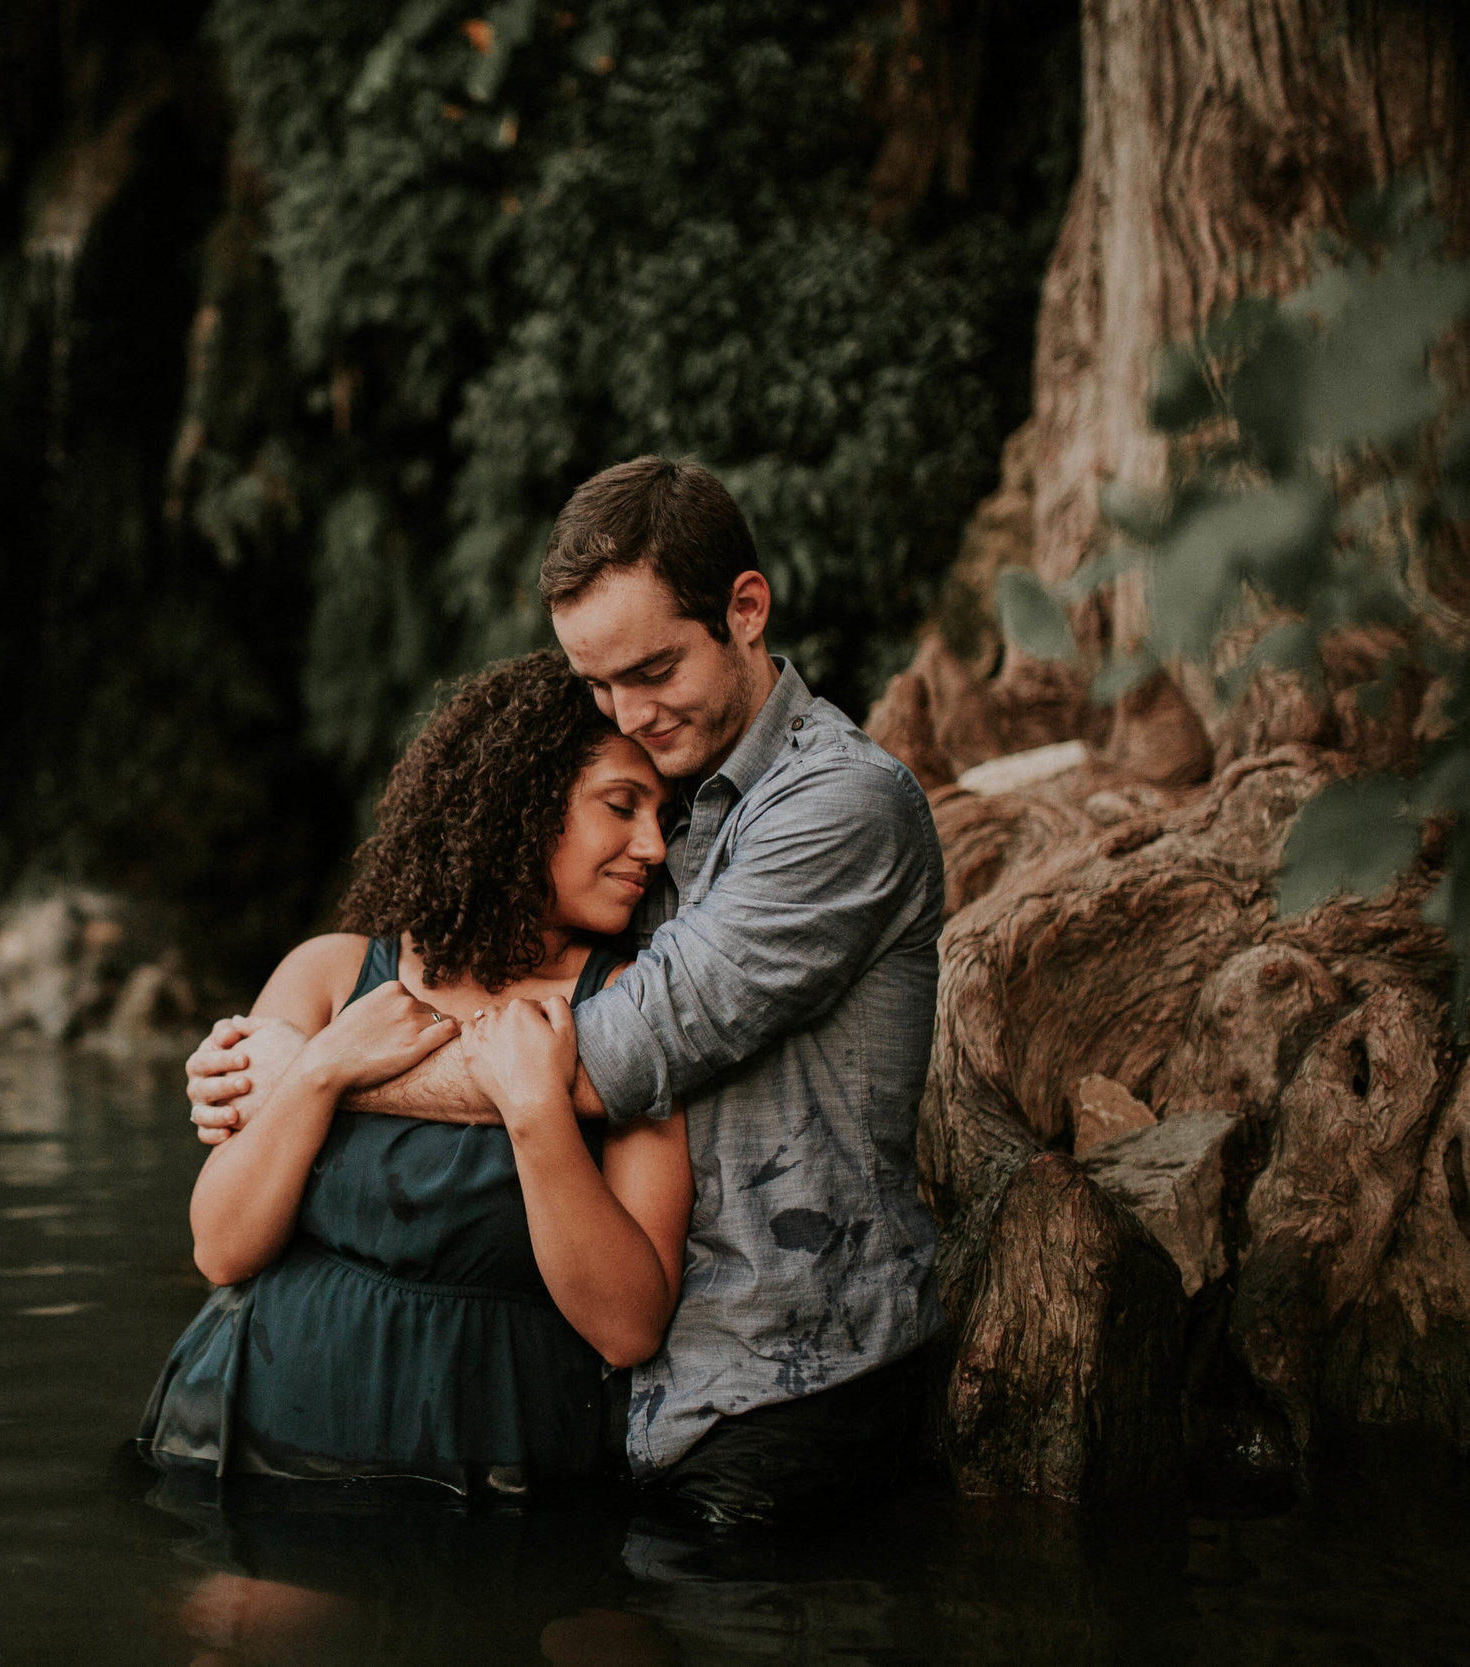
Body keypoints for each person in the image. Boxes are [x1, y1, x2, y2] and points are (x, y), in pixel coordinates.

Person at [190, 456, 947, 1528]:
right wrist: (279, 1059)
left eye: (651, 670)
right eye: (596, 687)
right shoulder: (669, 802)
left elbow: (607, 1055)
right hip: (622, 1409)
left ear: (744, 609)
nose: (628, 714)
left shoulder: (837, 805)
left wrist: (311, 1075)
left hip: (781, 1378)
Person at [138, 651, 691, 1495]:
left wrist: (538, 1111)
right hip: (259, 1435)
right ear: (522, 809)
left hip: (490, 1459)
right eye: (621, 806)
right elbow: (220, 1246)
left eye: (664, 815)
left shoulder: (633, 1006)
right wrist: (321, 1069)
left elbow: (629, 1328)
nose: (652, 845)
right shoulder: (331, 974)